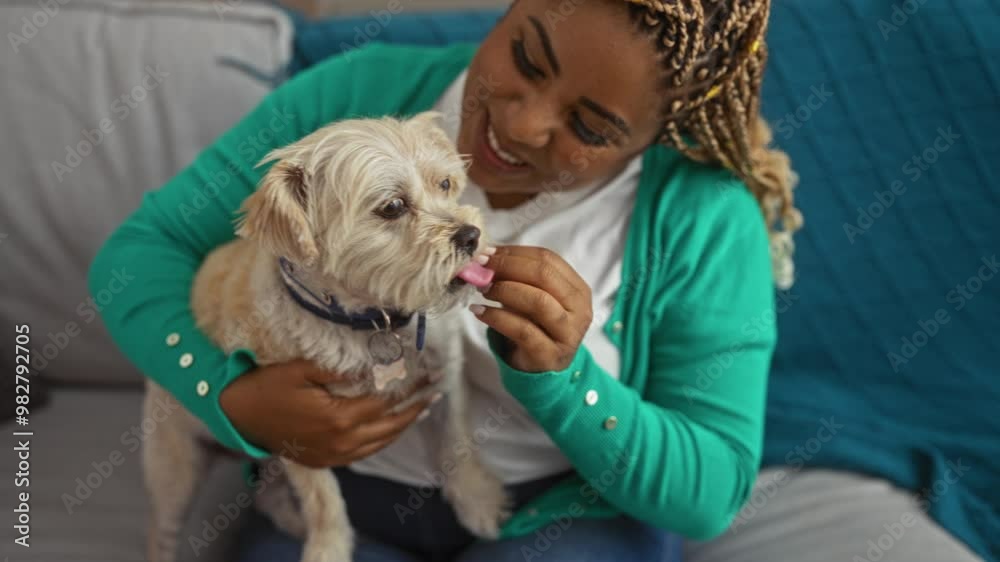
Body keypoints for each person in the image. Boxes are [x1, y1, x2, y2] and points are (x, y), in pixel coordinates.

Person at [89, 0, 801, 560]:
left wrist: (567, 381)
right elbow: (138, 257)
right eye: (526, 56)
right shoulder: (358, 94)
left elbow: (712, 494)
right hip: (333, 507)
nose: (522, 125)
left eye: (589, 127)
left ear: (660, 134)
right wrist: (232, 396)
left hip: (560, 521)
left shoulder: (708, 216)